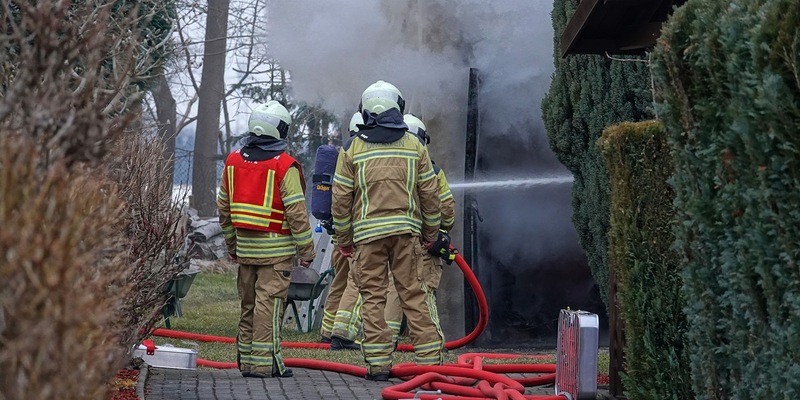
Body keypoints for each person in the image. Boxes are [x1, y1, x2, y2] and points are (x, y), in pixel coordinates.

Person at [331, 80, 444, 381]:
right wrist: (430, 234)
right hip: (406, 236)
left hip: (367, 239)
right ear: (398, 107)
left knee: (373, 298)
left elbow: (340, 200)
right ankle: (430, 364)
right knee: (414, 296)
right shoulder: (414, 145)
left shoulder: (351, 149)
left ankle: (379, 366)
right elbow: (430, 196)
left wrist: (345, 241)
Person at [217, 100, 315, 379]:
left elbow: (223, 208)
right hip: (276, 255)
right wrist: (306, 250)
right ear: (280, 129)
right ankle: (265, 365)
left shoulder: (233, 161)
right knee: (268, 308)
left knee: (248, 305)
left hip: (246, 252)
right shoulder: (284, 166)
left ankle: (247, 362)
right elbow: (297, 212)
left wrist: (232, 246)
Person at [383, 113, 456, 345]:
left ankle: (387, 340)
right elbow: (447, 211)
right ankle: (430, 342)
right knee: (424, 291)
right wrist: (437, 230)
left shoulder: (386, 168)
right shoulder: (432, 171)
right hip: (424, 242)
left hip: (393, 240)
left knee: (394, 288)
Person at [319, 112, 364, 350]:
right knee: (358, 280)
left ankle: (327, 329)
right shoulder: (364, 157)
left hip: (339, 234)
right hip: (357, 235)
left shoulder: (343, 157)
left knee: (339, 281)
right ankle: (342, 333)